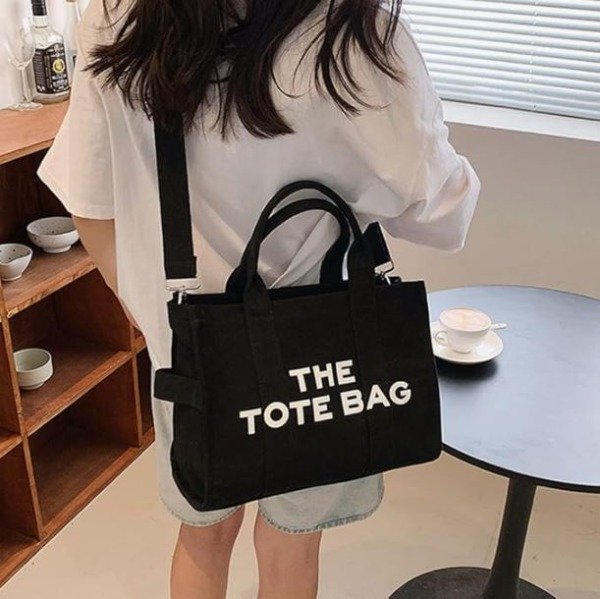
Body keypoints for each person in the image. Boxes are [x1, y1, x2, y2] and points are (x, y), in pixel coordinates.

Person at [37, 0, 480, 596]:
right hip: (320, 348)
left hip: (188, 347)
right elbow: (444, 217)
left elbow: (89, 199)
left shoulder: (121, 16)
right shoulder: (356, 33)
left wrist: (151, 320)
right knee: (291, 544)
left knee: (204, 532)